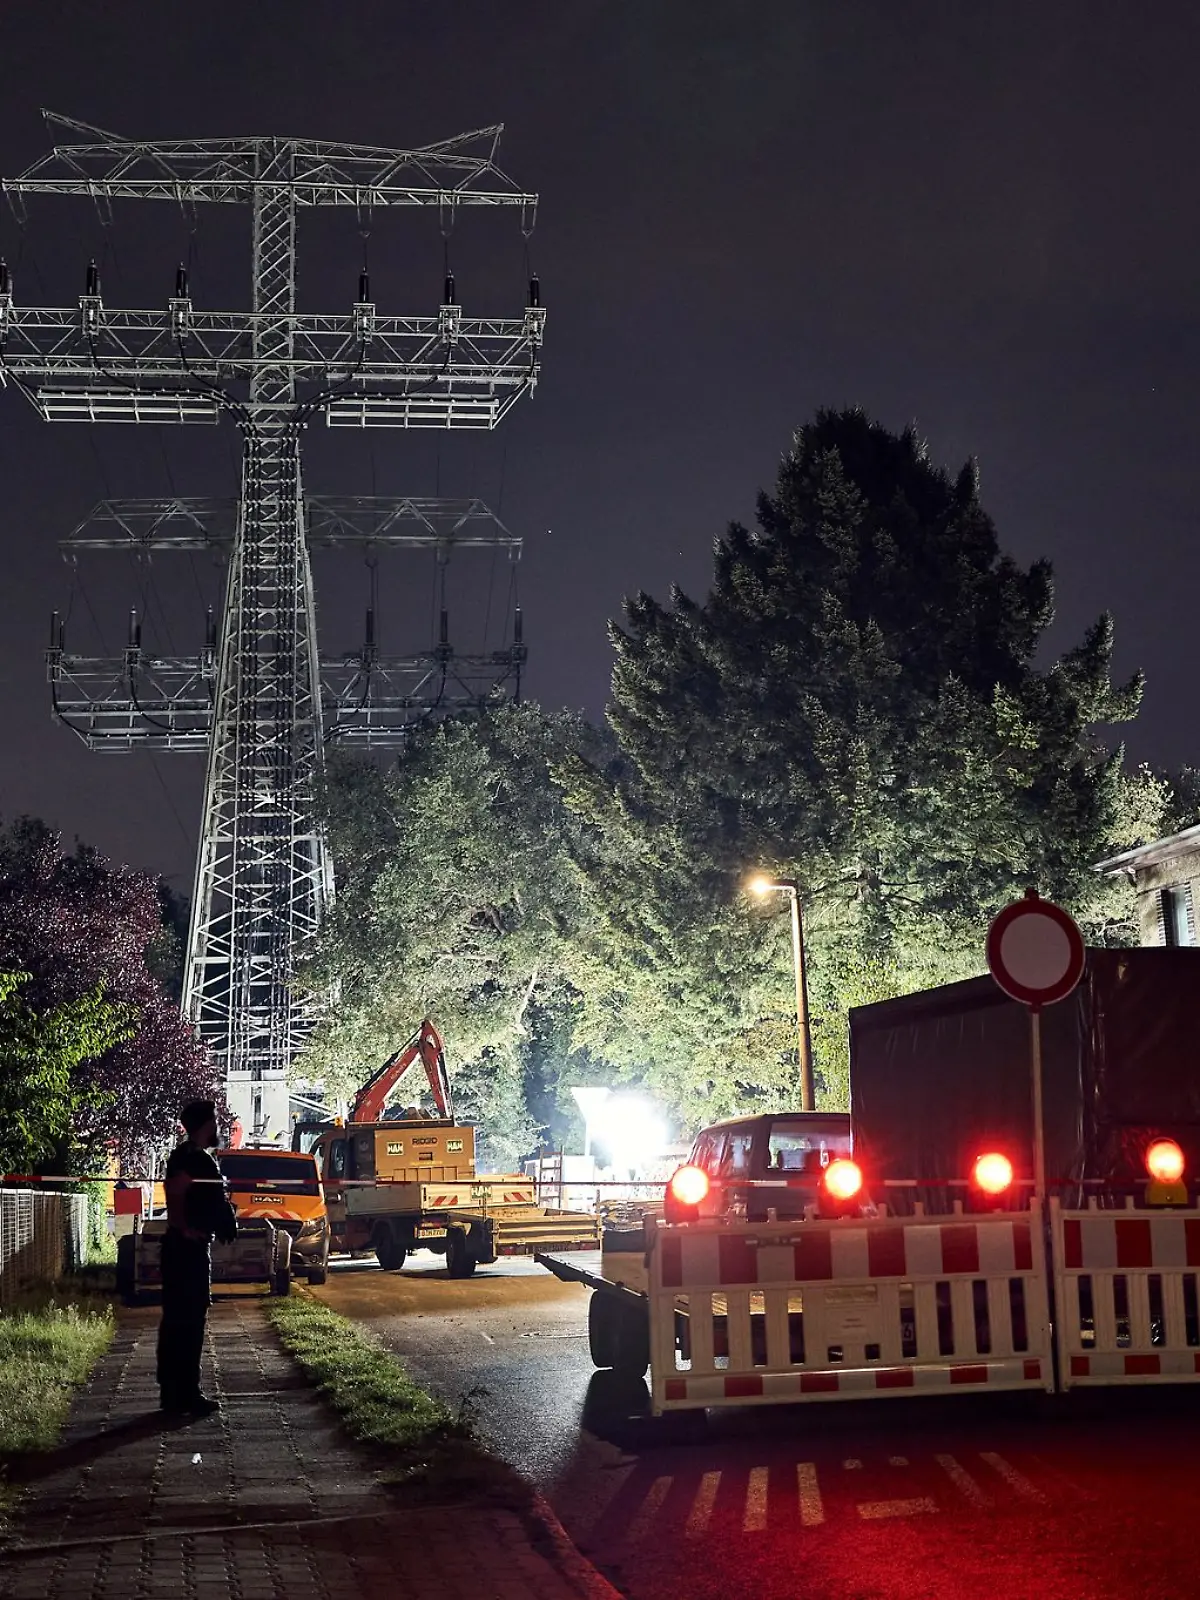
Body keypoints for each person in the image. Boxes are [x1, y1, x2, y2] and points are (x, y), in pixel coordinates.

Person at [156, 1099, 237, 1417]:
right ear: (205, 1125)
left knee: (183, 1320)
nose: (217, 1127)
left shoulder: (195, 1158)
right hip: (186, 1250)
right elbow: (175, 1193)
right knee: (186, 1322)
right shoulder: (189, 1158)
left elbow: (211, 1198)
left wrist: (224, 1218)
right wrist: (185, 1228)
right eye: (214, 1121)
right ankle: (183, 1393)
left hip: (188, 1248)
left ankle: (176, 1392)